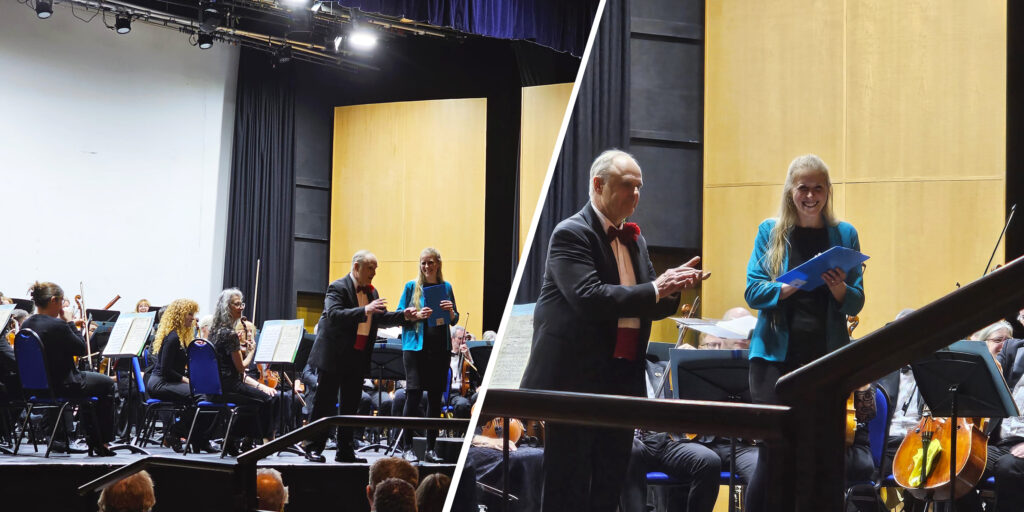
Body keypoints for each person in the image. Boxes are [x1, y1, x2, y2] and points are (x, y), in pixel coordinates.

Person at [519, 149, 707, 512]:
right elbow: (589, 298)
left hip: (622, 380)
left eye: (639, 187)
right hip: (575, 383)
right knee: (567, 489)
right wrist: (656, 288)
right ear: (598, 185)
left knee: (609, 487)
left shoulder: (635, 240)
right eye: (626, 185)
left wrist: (673, 286)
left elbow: (647, 301)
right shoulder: (571, 233)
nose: (635, 194)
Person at [743, 154, 865, 511]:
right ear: (790, 191)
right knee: (775, 453)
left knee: (823, 454)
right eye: (803, 188)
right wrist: (788, 286)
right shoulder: (770, 231)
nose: (810, 196)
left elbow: (856, 301)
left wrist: (839, 288)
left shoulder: (845, 234)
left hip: (825, 361)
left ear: (828, 191)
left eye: (818, 188)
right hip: (774, 361)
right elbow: (753, 291)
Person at [305, 250, 405, 463]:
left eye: (375, 268)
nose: (374, 273)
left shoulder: (372, 292)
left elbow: (381, 317)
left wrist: (405, 316)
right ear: (357, 267)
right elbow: (334, 315)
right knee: (324, 403)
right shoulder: (337, 287)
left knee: (351, 405)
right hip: (334, 355)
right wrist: (365, 309)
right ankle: (313, 447)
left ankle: (345, 450)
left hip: (357, 355)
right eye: (371, 268)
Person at [20, 281, 118, 456]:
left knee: (94, 383)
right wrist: (70, 322)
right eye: (61, 301)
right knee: (107, 384)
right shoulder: (57, 325)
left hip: (37, 388)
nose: (62, 306)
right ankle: (100, 442)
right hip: (63, 385)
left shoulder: (27, 324)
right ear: (54, 300)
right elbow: (81, 348)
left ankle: (84, 439)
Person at [397, 247, 460, 463]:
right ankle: (407, 447)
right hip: (415, 349)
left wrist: (450, 311)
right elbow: (399, 314)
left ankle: (431, 449)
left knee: (435, 399)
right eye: (423, 262)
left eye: (430, 262)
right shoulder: (411, 287)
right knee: (413, 395)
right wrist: (416, 315)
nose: (426, 266)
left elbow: (454, 318)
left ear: (438, 264)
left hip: (439, 349)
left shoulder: (446, 287)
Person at [209, 288, 277, 454]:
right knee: (266, 399)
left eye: (242, 304)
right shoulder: (230, 334)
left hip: (215, 386)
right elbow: (242, 367)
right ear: (227, 307)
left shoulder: (214, 331)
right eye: (236, 304)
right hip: (230, 386)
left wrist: (239, 348)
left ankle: (238, 441)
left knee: (254, 401)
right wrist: (252, 351)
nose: (241, 308)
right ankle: (252, 441)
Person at [448, 325, 476, 418]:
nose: (463, 341)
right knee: (462, 404)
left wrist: (468, 356)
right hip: (450, 392)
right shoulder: (445, 355)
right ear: (452, 339)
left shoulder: (467, 355)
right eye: (460, 338)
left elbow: (476, 376)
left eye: (465, 338)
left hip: (465, 392)